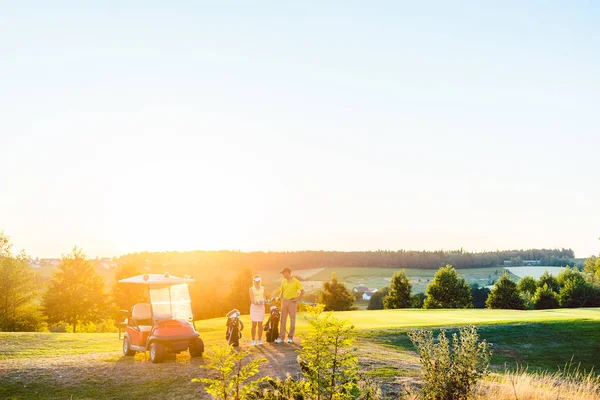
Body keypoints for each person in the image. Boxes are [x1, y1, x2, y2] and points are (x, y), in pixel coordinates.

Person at [276, 268, 304, 344]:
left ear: (288, 273)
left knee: (292, 320)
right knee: (283, 320)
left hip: (292, 302)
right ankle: (281, 337)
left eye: (283, 273)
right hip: (284, 301)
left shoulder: (296, 281)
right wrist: (279, 297)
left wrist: (297, 298)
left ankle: (290, 337)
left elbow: (302, 291)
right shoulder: (283, 281)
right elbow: (282, 292)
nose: (283, 275)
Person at [249, 275, 266, 345]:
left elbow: (264, 297)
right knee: (254, 324)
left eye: (258, 281)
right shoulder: (251, 289)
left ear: (260, 281)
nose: (257, 282)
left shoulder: (263, 288)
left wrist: (263, 301)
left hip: (261, 307)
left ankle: (259, 339)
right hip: (254, 307)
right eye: (256, 281)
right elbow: (252, 299)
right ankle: (253, 340)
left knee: (260, 324)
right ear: (254, 281)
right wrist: (255, 302)